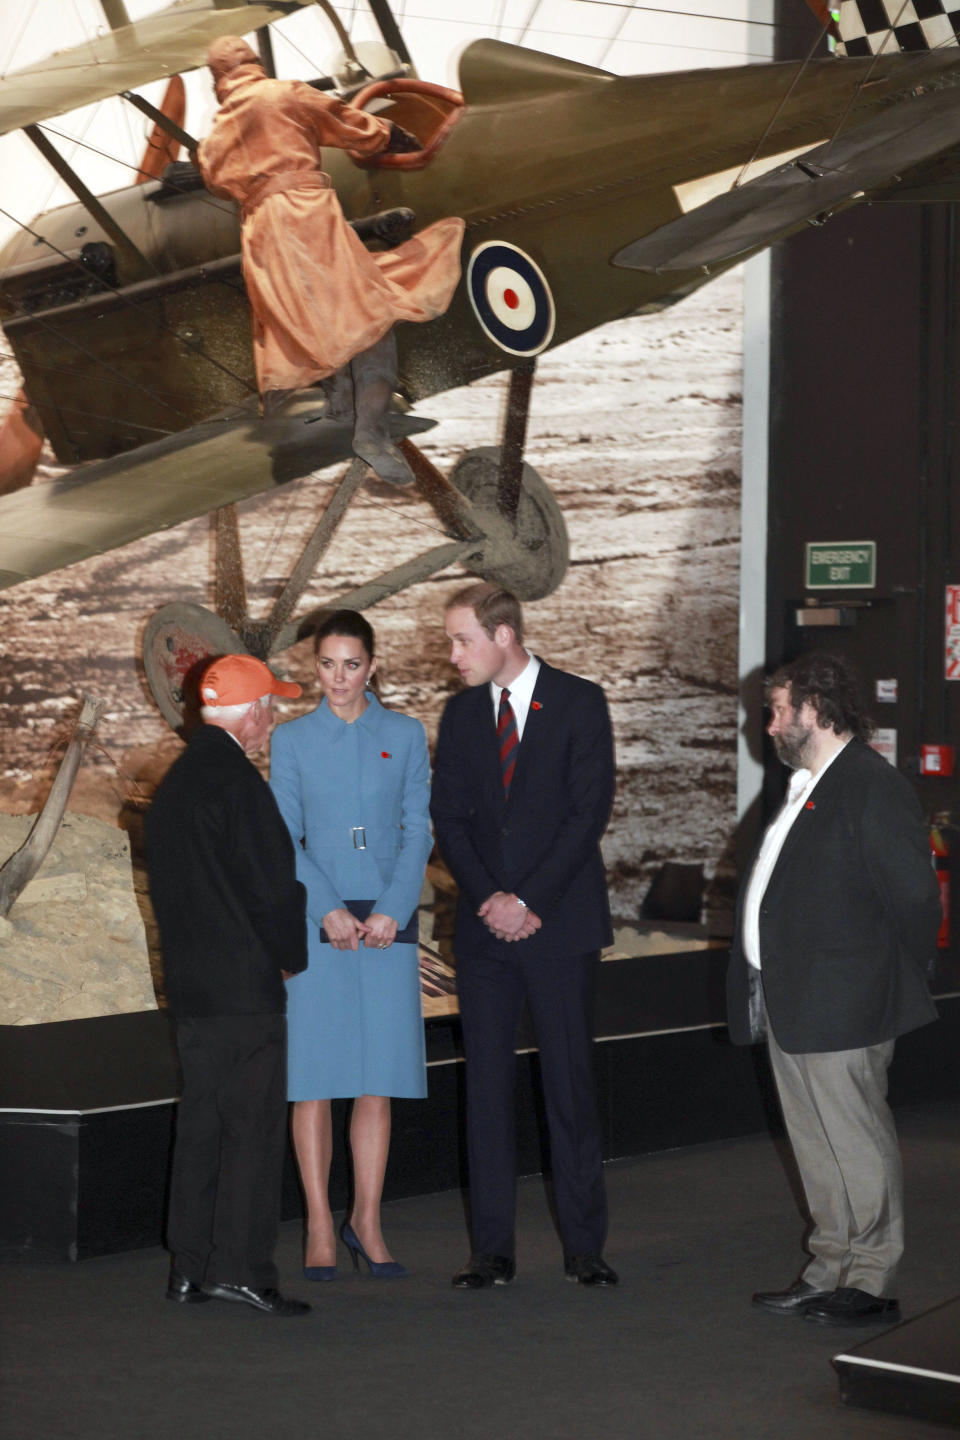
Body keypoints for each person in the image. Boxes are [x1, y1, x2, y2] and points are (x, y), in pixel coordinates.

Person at [728, 652, 940, 1327]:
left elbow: (914, 901)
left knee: (855, 1142)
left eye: (779, 709)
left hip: (844, 1000)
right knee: (818, 1145)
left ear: (815, 710)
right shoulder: (807, 782)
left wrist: (881, 980)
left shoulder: (871, 785)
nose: (768, 724)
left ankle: (871, 1279)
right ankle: (830, 1270)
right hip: (794, 998)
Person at [431, 582, 618, 1288]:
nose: (452, 655)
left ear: (503, 635)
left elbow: (587, 813)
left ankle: (583, 1246)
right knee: (486, 1090)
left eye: (461, 640)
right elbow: (448, 819)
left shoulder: (578, 701)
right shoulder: (460, 714)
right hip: (486, 935)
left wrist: (528, 899)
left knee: (569, 1087)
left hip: (558, 926)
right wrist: (491, 901)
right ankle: (491, 1251)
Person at [196, 37, 465, 487]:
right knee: (369, 316)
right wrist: (388, 134)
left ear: (216, 80)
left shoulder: (217, 131)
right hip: (306, 217)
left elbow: (216, 180)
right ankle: (370, 434)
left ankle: (340, 409)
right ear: (255, 64)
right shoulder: (284, 93)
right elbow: (346, 124)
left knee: (311, 323)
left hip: (261, 235)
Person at [145, 653, 310, 1317]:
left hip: (192, 989)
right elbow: (273, 888)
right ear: (250, 714)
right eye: (269, 707)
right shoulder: (241, 785)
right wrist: (290, 953)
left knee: (203, 1126)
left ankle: (188, 1266)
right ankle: (240, 1269)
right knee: (250, 1130)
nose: (271, 719)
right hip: (245, 989)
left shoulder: (176, 786)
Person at [270, 609, 432, 1279]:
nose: (339, 678)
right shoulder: (291, 739)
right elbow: (284, 837)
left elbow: (417, 829)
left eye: (352, 664)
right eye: (328, 664)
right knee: (313, 1080)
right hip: (319, 924)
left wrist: (394, 908)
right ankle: (317, 1222)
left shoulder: (407, 733)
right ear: (316, 666)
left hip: (388, 925)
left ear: (373, 667)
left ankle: (366, 1218)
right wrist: (328, 909)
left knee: (376, 1080)